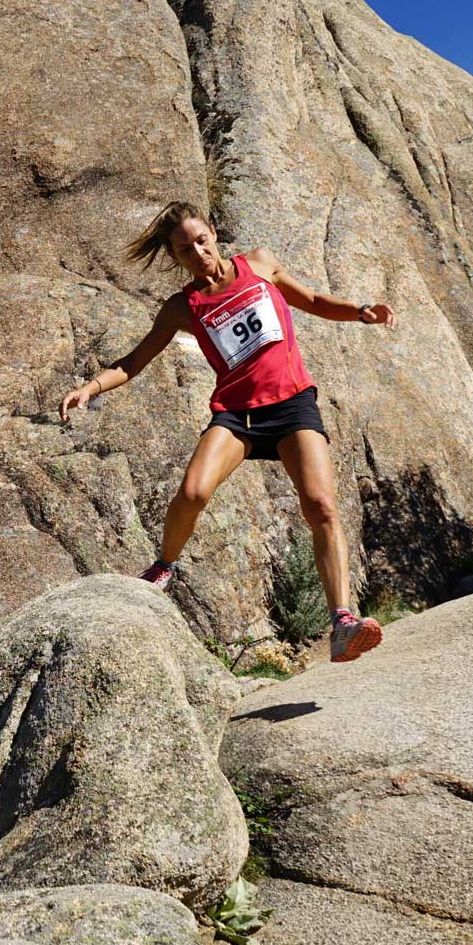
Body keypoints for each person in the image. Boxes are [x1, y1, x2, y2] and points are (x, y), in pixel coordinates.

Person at [58, 201, 397, 663]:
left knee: (320, 505)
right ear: (175, 258)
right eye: (184, 250)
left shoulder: (260, 264)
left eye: (201, 240)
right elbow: (134, 362)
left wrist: (360, 311)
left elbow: (314, 302)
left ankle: (341, 621)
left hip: (293, 403)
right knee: (193, 492)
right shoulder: (182, 307)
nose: (197, 253)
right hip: (238, 414)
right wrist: (90, 387)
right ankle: (163, 567)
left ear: (213, 234)